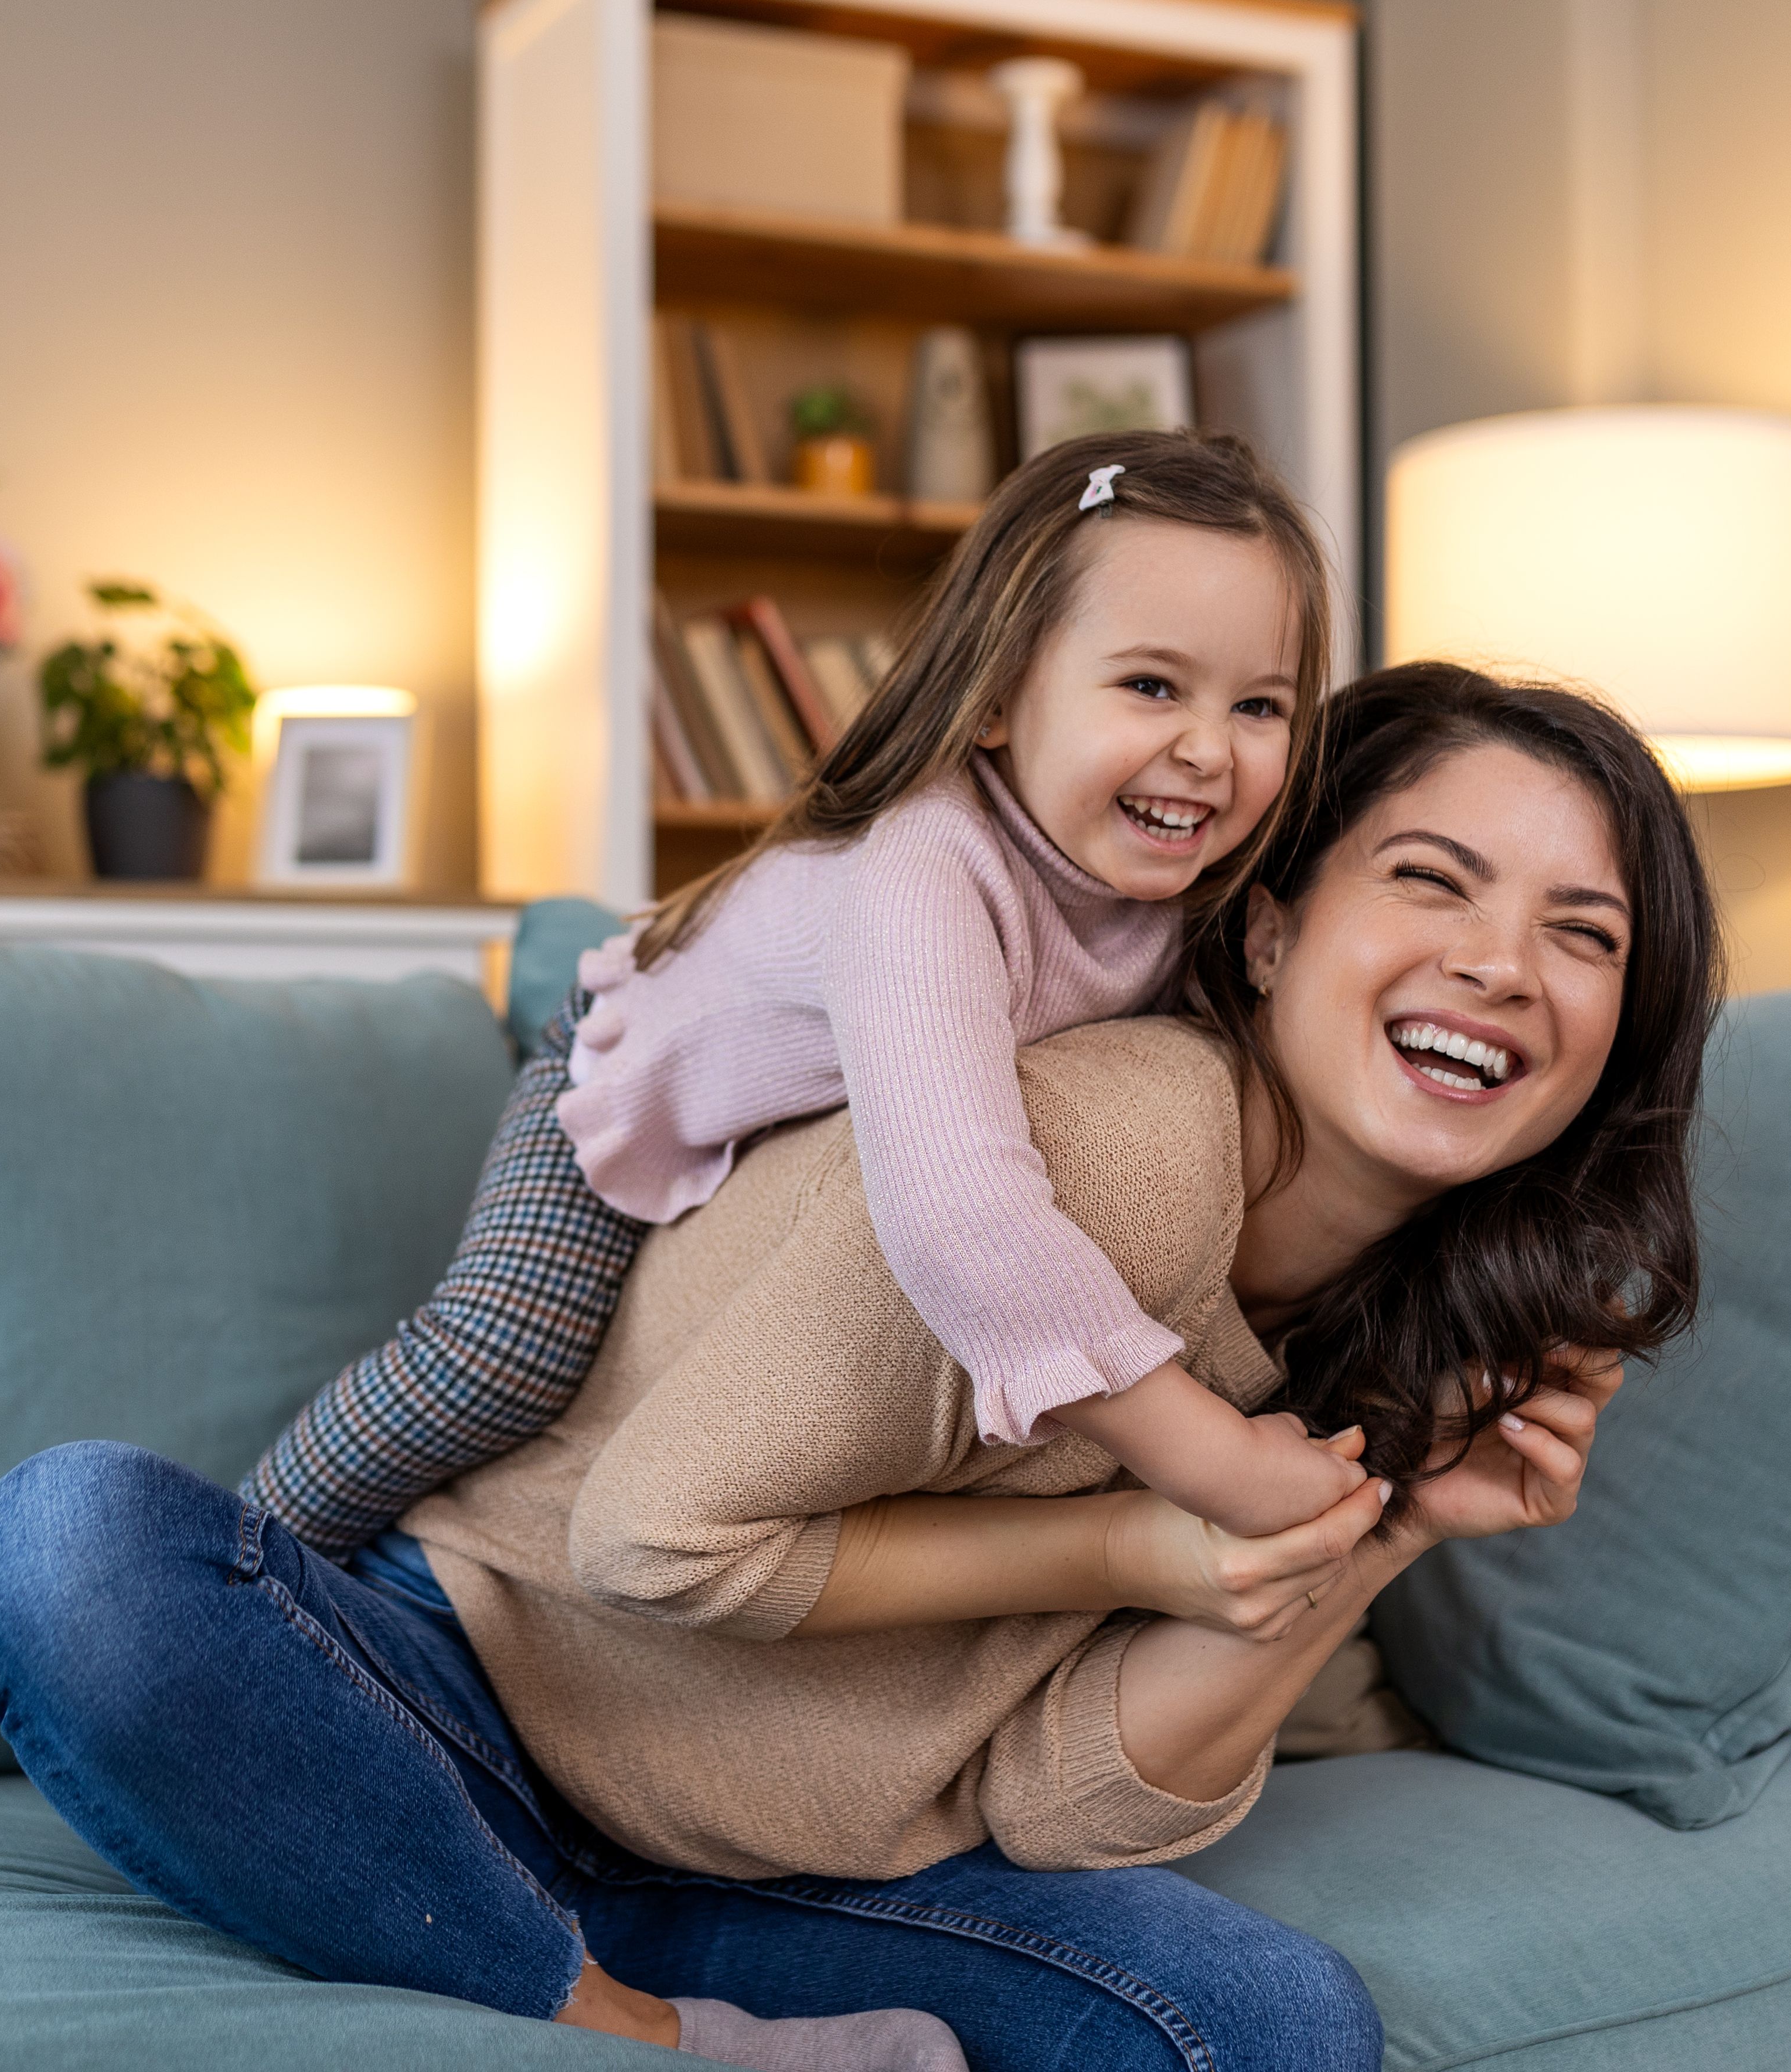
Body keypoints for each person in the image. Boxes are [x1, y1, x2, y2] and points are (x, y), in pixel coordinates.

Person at [0, 665, 1724, 2072]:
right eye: (1434, 882)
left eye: (1586, 934)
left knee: (1270, 2030)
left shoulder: (1401, 1318)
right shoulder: (1110, 1148)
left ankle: (498, 1960)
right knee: (71, 1548)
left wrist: (1392, 1524)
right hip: (470, 1715)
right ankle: (617, 2033)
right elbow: (656, 1539)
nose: (1503, 967)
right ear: (1267, 929)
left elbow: (1065, 1803)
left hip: (803, 1869)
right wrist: (1134, 1545)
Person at [249, 429, 1366, 1572]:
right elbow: (960, 1213)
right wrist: (1212, 1456)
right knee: (498, 1358)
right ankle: (241, 1554)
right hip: (635, 1067)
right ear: (994, 697)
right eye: (1150, 686)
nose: (1207, 751)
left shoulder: (1198, 897)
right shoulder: (920, 866)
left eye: (1262, 708)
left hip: (803, 1140)